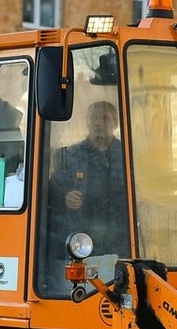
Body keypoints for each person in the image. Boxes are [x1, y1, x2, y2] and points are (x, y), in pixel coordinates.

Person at [48, 100, 129, 253]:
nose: (98, 122)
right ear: (87, 122)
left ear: (116, 123)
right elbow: (50, 195)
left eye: (105, 118)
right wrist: (65, 198)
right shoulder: (68, 156)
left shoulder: (128, 156)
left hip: (122, 240)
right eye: (93, 117)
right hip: (81, 242)